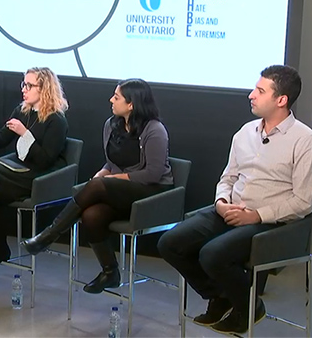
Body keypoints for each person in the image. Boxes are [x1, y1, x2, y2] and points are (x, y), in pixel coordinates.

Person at [158, 65, 312, 334]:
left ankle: (250, 307)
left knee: (212, 254)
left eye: (260, 91)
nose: (251, 95)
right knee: (170, 243)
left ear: (281, 100)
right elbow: (227, 178)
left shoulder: (304, 140)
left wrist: (257, 215)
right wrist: (221, 202)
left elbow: (303, 201)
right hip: (229, 210)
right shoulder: (245, 132)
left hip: (270, 223)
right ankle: (221, 297)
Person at [21, 78, 173, 292]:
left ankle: (49, 234)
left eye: (117, 97)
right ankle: (110, 271)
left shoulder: (154, 130)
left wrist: (110, 180)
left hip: (152, 192)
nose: (111, 100)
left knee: (98, 185)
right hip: (122, 191)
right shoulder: (112, 125)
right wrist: (103, 173)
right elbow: (113, 162)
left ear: (131, 104)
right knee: (91, 215)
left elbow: (153, 173)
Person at [0, 67, 69, 263]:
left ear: (44, 89)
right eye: (23, 84)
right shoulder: (22, 110)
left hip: (40, 175)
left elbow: (45, 160)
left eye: (29, 85)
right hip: (19, 168)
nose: (23, 89)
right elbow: (0, 141)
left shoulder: (56, 120)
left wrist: (25, 134)